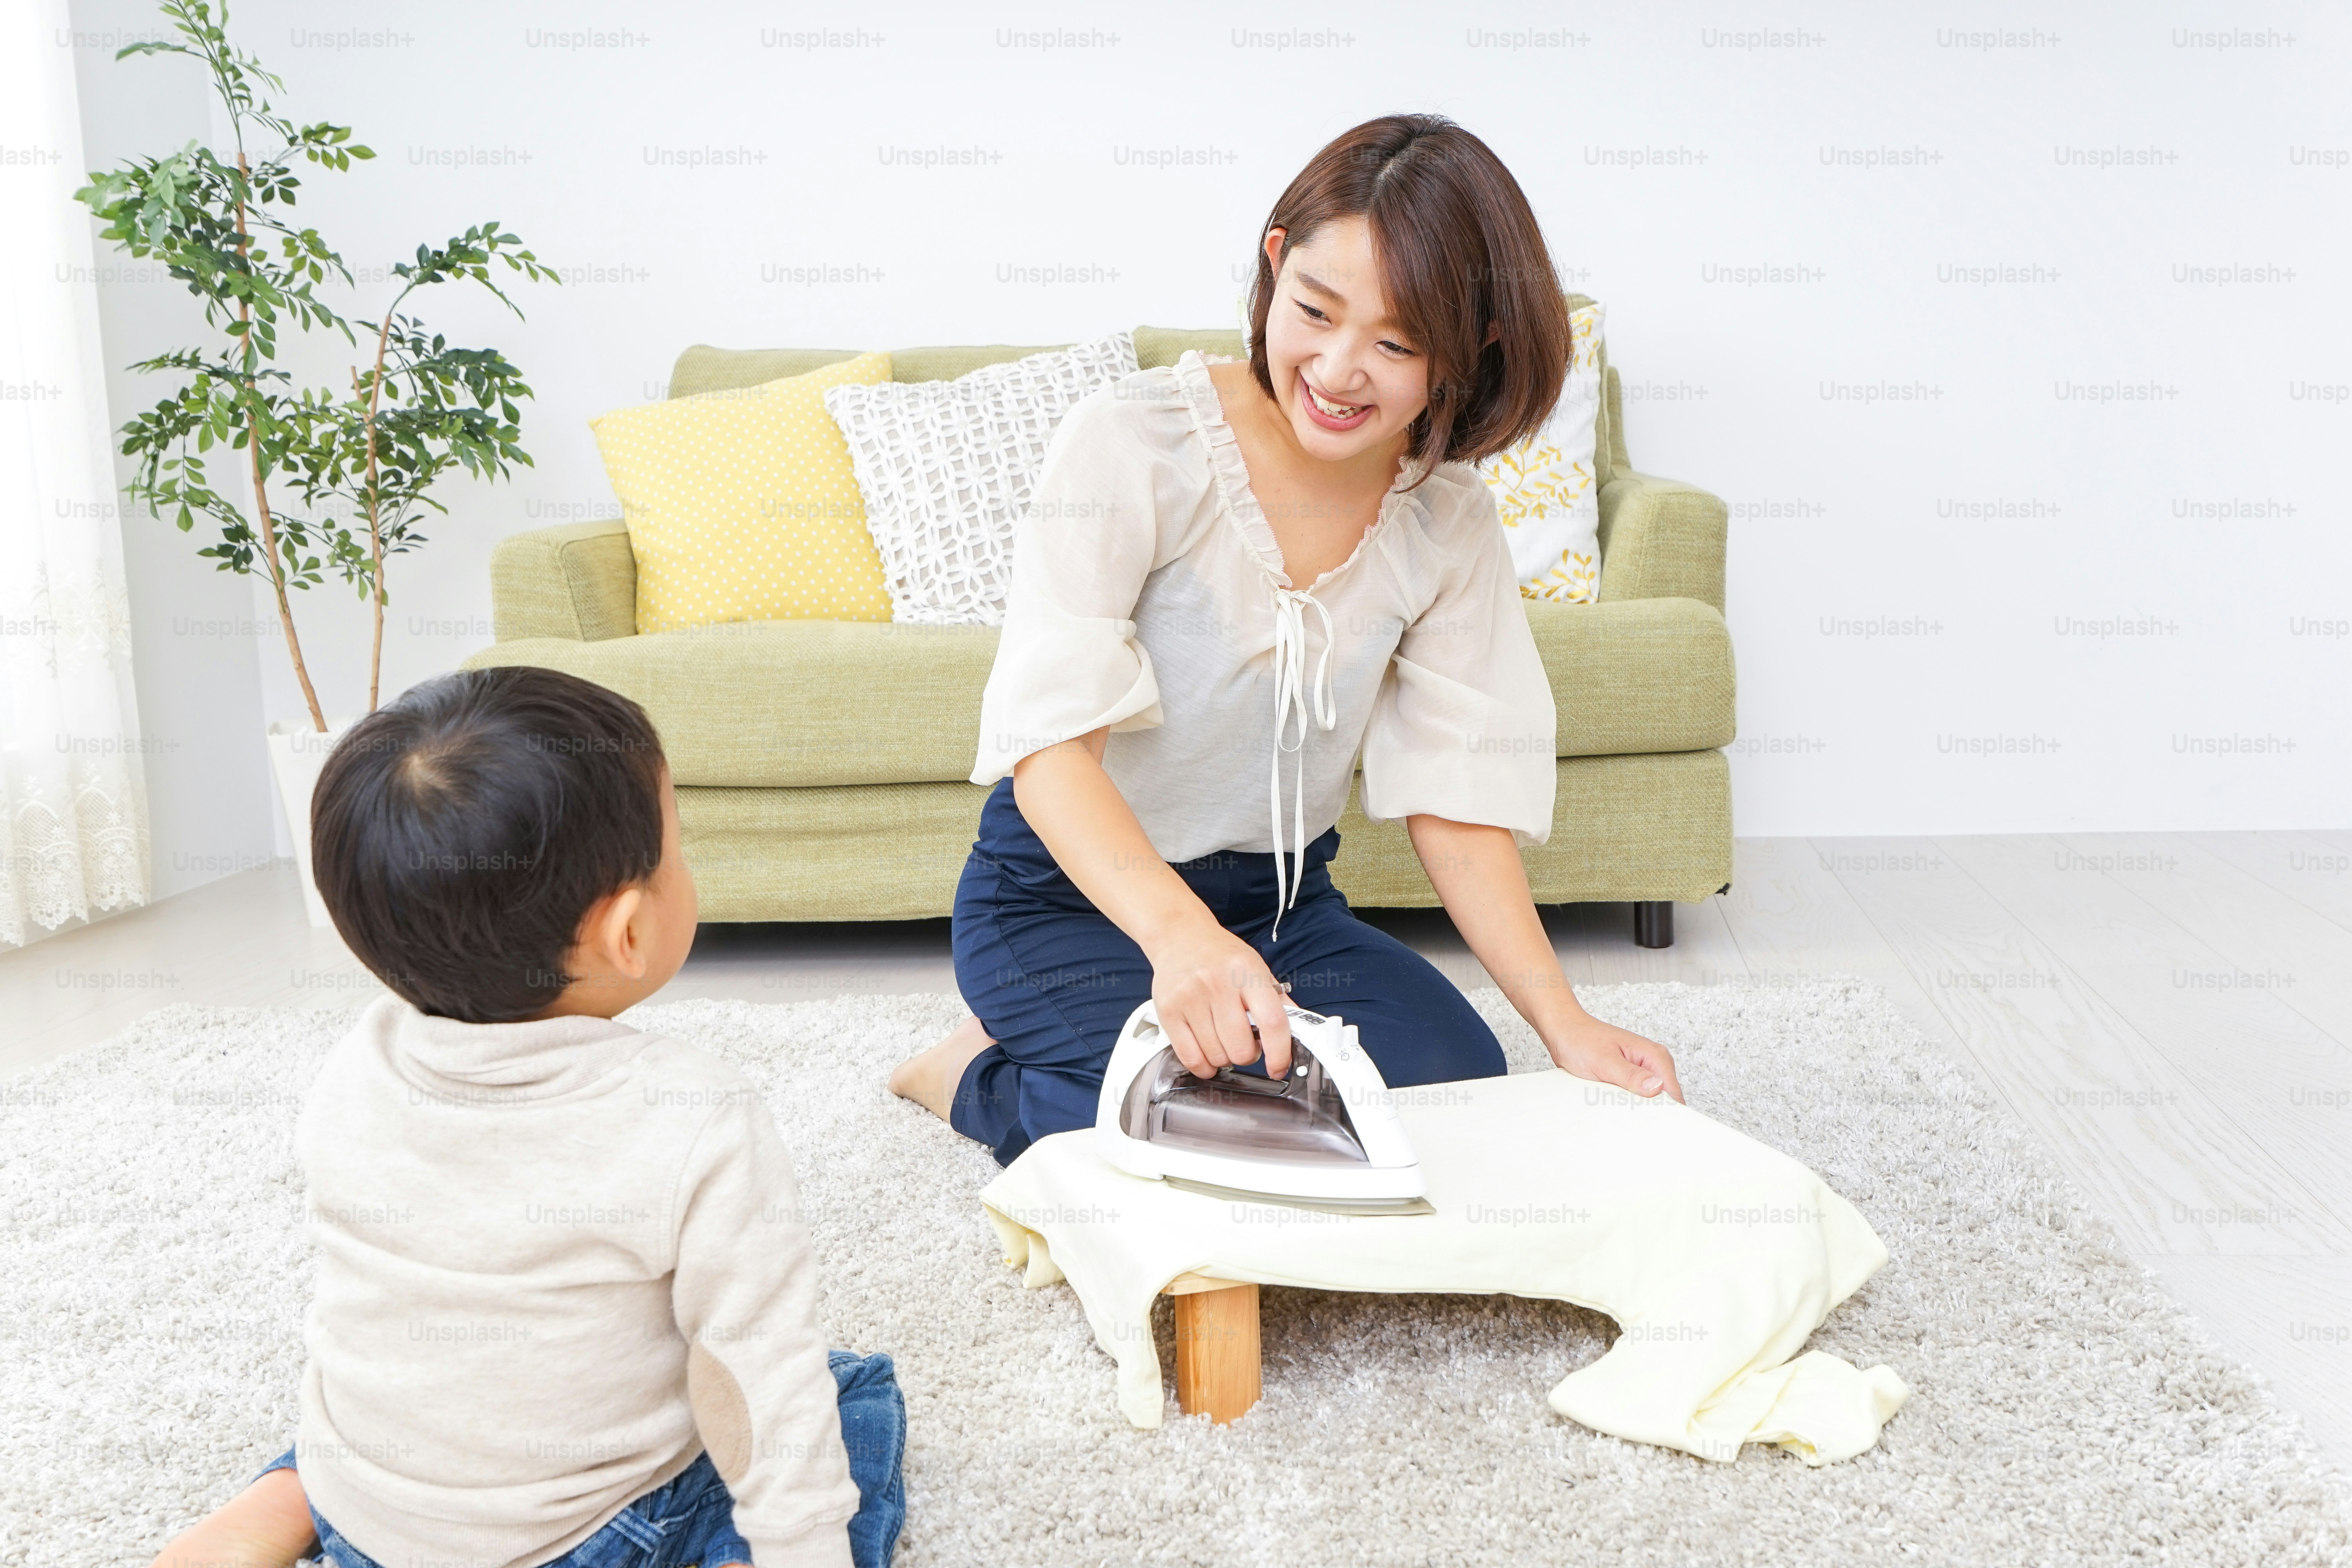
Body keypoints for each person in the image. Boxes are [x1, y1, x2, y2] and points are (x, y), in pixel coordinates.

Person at [891, 113, 1685, 1164]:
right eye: (1315, 311)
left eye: (1396, 344)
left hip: (1283, 910)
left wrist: (1564, 1023)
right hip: (1067, 901)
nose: (1340, 369)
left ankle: (1130, 1048)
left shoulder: (1446, 517)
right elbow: (1050, 750)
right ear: (1275, 264)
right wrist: (1182, 942)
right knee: (1208, 1125)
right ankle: (969, 1073)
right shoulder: (1135, 441)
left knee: (1455, 1085)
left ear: (1471, 349)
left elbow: (1456, 801)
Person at [148, 666, 906, 1568]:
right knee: (848, 1389)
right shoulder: (696, 1114)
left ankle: (283, 1499)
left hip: (372, 1509)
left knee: (410, 1415)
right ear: (630, 933)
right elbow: (756, 1370)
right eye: (679, 846)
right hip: (583, 1535)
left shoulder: (360, 1061)